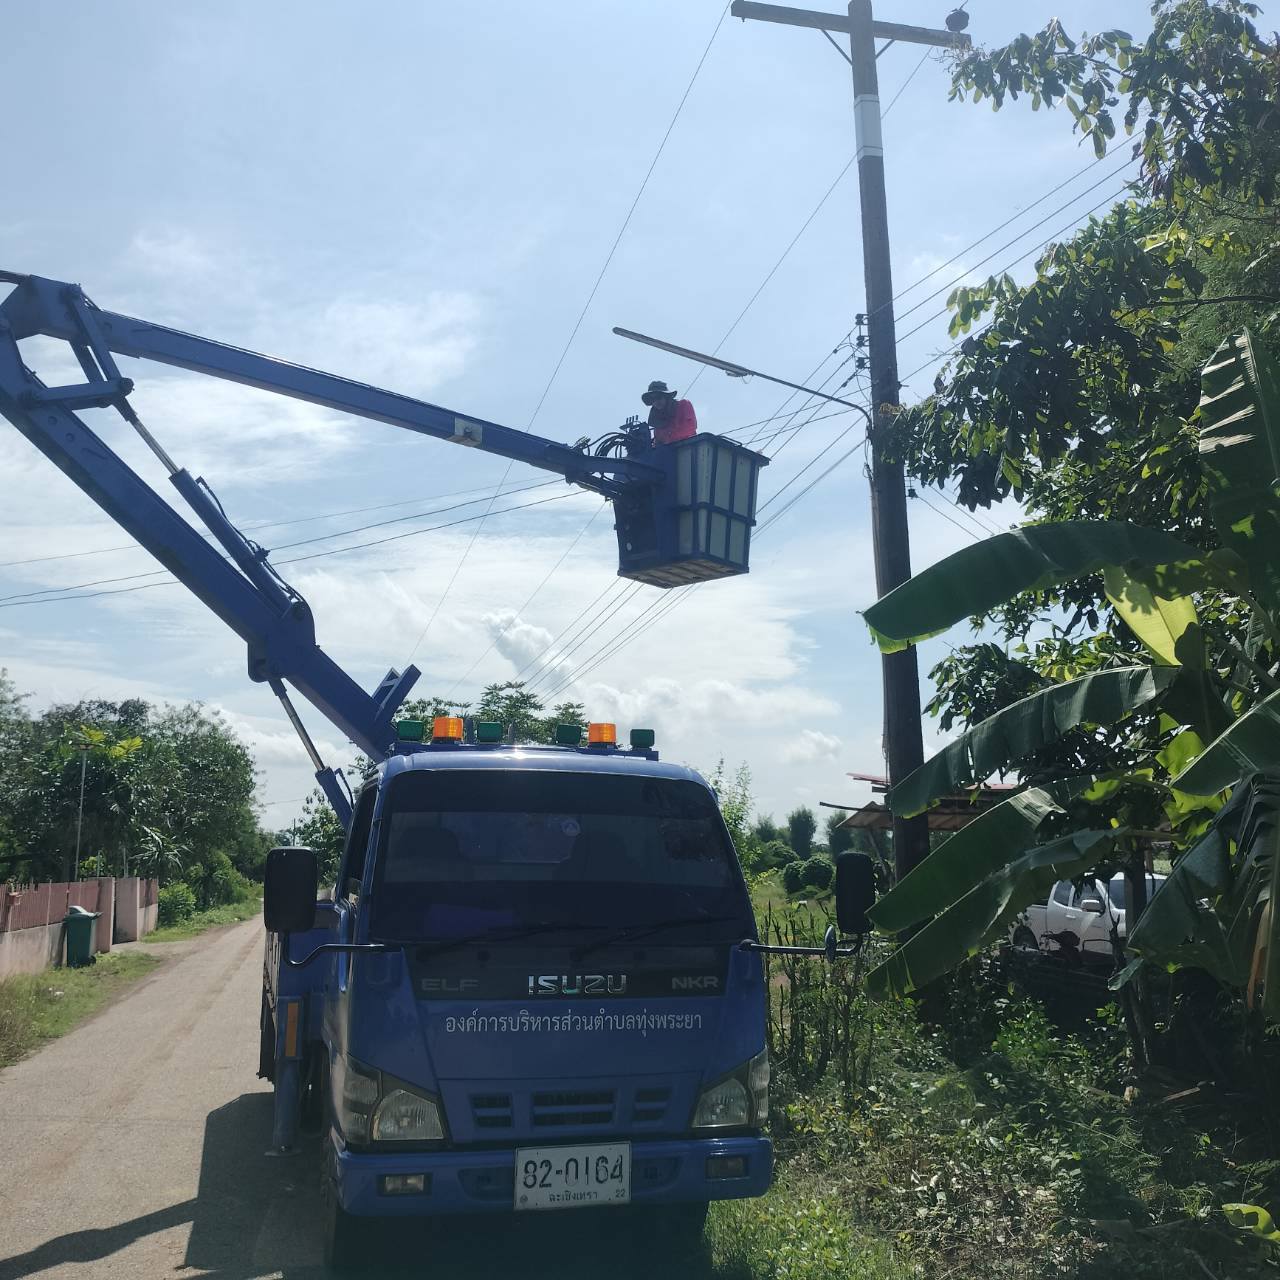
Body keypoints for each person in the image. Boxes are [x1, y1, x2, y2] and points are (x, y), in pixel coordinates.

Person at [641, 380, 697, 445]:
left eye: (658, 397)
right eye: (653, 399)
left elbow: (690, 428)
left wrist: (668, 440)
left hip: (687, 447)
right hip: (668, 449)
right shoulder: (656, 419)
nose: (656, 401)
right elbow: (658, 441)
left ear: (666, 396)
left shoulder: (683, 405)